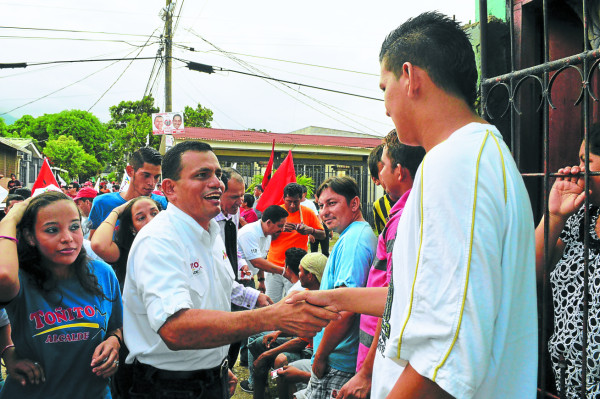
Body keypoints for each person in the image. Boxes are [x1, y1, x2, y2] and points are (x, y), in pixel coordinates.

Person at [287, 12, 538, 399]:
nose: (385, 105)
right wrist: (328, 298)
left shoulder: (455, 164)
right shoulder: (479, 155)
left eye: (384, 87)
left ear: (410, 77)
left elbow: (448, 352)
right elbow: (416, 297)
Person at [122, 141, 339, 399]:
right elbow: (175, 329)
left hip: (209, 376)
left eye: (217, 174)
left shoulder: (211, 232)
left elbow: (221, 285)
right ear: (169, 188)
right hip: (168, 385)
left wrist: (218, 362)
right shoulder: (158, 240)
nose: (217, 183)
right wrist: (272, 316)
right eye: (202, 175)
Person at [0, 192, 123, 399]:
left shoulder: (103, 273)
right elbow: (2, 276)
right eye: (52, 230)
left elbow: (117, 326)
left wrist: (114, 342)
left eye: (74, 227)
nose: (68, 238)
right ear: (30, 237)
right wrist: (11, 218)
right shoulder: (18, 279)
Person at [339, 130, 424, 399]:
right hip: (377, 343)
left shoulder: (403, 219)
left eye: (383, 167)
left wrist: (366, 372)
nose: (380, 177)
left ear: (399, 171)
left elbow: (392, 296)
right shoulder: (398, 209)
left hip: (381, 346)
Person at [534, 124, 600, 398]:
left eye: (587, 161)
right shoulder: (582, 216)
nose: (578, 169)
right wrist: (555, 215)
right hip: (568, 381)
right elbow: (530, 272)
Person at [300, 176, 377, 399]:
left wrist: (321, 356)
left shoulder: (354, 241)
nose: (324, 212)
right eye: (321, 206)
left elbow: (346, 309)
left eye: (332, 203)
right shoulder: (353, 235)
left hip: (339, 361)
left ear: (354, 204)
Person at [91, 196, 161, 399]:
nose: (150, 220)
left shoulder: (177, 249)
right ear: (131, 228)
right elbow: (99, 245)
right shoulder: (125, 252)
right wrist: (117, 211)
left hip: (164, 339)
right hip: (130, 338)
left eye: (154, 213)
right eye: (141, 217)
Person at [241, 247, 309, 397]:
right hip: (295, 336)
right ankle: (259, 378)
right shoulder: (304, 289)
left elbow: (300, 337)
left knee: (256, 336)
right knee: (260, 340)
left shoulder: (298, 291)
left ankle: (254, 381)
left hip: (300, 342)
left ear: (287, 267)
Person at [88, 147, 167, 239]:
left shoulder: (164, 204)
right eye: (146, 175)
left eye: (156, 177)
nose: (152, 183)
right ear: (130, 171)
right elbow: (92, 243)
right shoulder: (102, 203)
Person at [266, 183, 326, 303]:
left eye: (296, 202)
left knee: (293, 304)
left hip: (296, 269)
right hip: (275, 266)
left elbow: (323, 235)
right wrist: (279, 229)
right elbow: (265, 236)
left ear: (301, 199)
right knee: (271, 304)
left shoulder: (307, 213)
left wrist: (310, 230)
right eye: (289, 201)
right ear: (283, 199)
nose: (292, 205)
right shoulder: (275, 213)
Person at [238, 205, 291, 293]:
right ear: (269, 222)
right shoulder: (249, 233)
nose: (282, 229)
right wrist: (284, 272)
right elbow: (257, 262)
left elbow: (262, 258)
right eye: (280, 226)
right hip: (238, 279)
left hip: (247, 277)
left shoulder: (268, 234)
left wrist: (261, 281)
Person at [369, 144, 396, 236]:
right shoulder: (378, 206)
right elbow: (382, 236)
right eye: (383, 169)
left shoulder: (415, 198)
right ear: (375, 180)